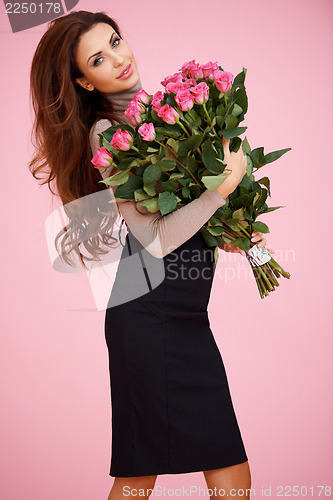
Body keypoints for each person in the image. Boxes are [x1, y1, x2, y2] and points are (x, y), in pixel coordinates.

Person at [29, 10, 275, 500]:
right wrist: (223, 189)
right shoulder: (107, 134)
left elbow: (184, 218)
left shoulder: (158, 117)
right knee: (145, 474)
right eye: (99, 58)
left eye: (116, 41)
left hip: (184, 313)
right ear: (83, 79)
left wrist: (231, 232)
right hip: (146, 312)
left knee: (223, 472)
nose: (119, 58)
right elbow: (155, 240)